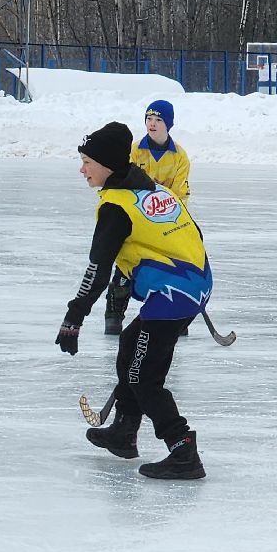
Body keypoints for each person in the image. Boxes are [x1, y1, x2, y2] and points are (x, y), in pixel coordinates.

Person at [57, 121, 211, 480]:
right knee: (130, 343)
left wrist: (73, 318)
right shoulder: (154, 189)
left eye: (87, 162)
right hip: (193, 284)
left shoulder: (116, 207)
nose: (82, 170)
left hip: (173, 295)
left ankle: (183, 450)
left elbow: (97, 270)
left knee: (144, 377)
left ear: (107, 165)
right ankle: (124, 431)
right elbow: (195, 233)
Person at [104, 98, 191, 335]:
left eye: (158, 120)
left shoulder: (180, 157)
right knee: (126, 265)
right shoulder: (134, 151)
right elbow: (123, 186)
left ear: (168, 124)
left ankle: (174, 314)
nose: (152, 124)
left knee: (170, 269)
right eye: (149, 119)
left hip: (164, 223)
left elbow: (180, 195)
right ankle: (114, 314)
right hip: (135, 220)